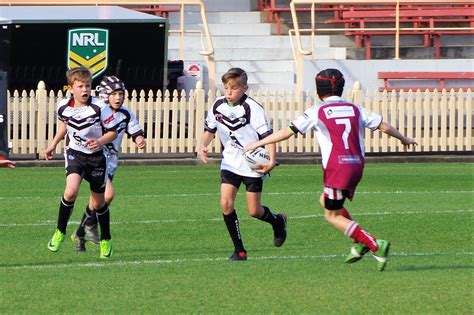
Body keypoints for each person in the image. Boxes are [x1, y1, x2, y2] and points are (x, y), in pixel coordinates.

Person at [244, 68, 417, 271]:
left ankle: (373, 243)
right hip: (357, 166)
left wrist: (257, 144)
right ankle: (359, 242)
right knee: (325, 202)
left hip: (338, 168)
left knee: (331, 215)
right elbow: (384, 126)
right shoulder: (355, 109)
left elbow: (286, 133)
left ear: (319, 89)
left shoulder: (317, 111)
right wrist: (404, 139)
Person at [198, 67, 287, 261]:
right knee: (226, 203)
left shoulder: (253, 109)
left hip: (252, 164)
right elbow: (210, 130)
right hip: (230, 162)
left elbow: (268, 137)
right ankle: (239, 250)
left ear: (244, 88)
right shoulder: (217, 106)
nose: (229, 92)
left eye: (234, 88)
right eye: (226, 88)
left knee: (254, 211)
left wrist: (271, 161)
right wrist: (203, 145)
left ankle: (277, 221)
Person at [44, 67, 119, 259]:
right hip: (75, 154)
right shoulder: (63, 106)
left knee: (99, 202)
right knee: (71, 191)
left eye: (88, 86)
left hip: (96, 159)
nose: (85, 90)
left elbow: (113, 132)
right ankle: (60, 232)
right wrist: (52, 144)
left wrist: (100, 141)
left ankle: (106, 239)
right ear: (71, 88)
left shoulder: (99, 107)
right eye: (80, 86)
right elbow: (65, 125)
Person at [71, 76, 146, 251]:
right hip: (93, 159)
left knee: (96, 201)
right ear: (105, 95)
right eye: (114, 94)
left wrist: (139, 139)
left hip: (110, 162)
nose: (118, 97)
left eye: (120, 93)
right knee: (108, 195)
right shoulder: (96, 110)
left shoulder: (125, 114)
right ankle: (90, 226)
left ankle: (81, 233)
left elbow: (135, 131)